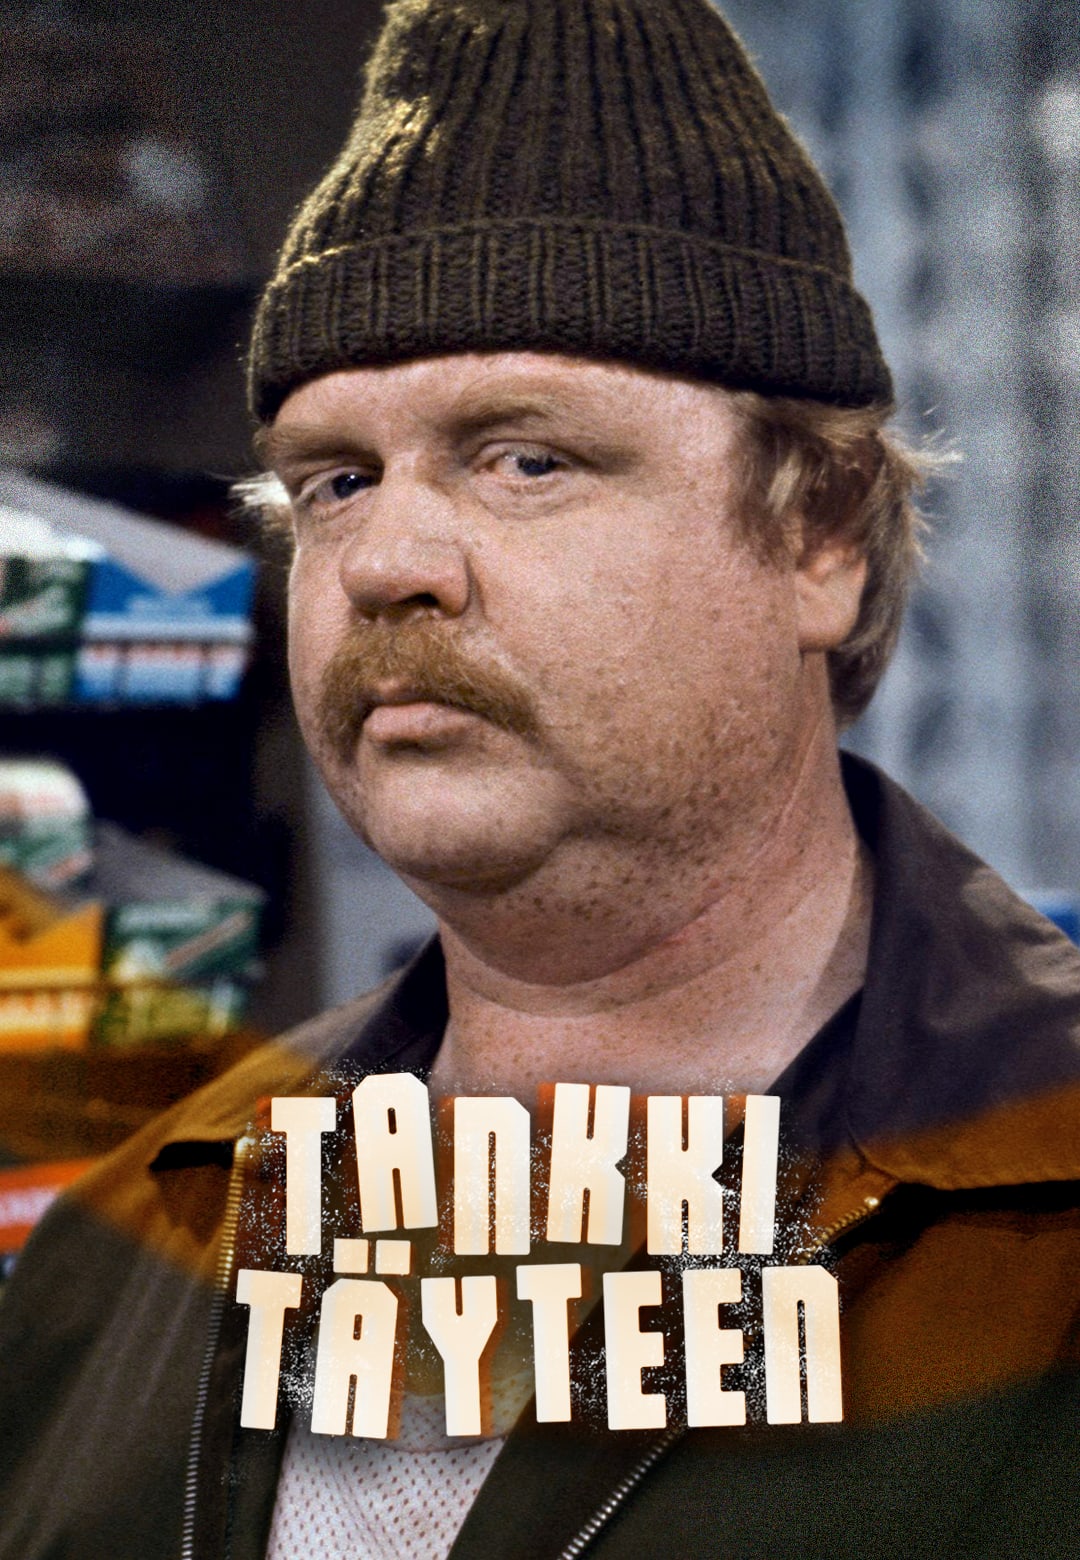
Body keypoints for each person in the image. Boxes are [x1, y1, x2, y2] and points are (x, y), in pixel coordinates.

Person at [1, 1, 1077, 1556]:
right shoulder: (126, 1247)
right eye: (334, 480)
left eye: (526, 458)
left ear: (819, 539)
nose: (385, 559)